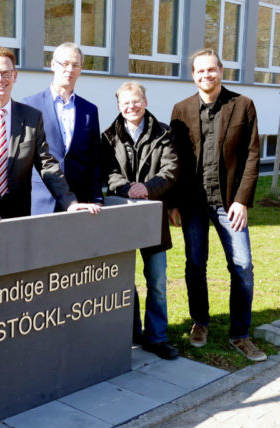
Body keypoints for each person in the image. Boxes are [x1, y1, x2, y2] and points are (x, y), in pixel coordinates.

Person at [170, 48, 265, 361]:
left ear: (221, 71)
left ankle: (240, 334)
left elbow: (253, 156)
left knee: (243, 267)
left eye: (211, 70)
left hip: (229, 204)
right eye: (200, 71)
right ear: (193, 74)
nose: (206, 75)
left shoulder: (242, 105)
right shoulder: (181, 109)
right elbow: (175, 160)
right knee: (195, 265)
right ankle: (200, 322)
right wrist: (173, 202)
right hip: (193, 203)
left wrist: (242, 201)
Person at [0, 46, 99, 219]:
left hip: (18, 215)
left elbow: (46, 164)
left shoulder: (31, 117)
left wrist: (69, 202)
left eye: (6, 73)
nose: (0, 79)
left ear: (15, 76)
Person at [102, 82, 179, 360]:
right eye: (125, 102)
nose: (131, 106)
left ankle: (156, 338)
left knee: (156, 280)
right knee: (125, 280)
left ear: (145, 101)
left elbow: (171, 170)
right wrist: (127, 189)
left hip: (153, 218)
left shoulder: (164, 134)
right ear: (119, 105)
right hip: (122, 217)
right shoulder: (108, 136)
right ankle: (131, 332)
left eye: (135, 101)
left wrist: (147, 187)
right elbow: (108, 172)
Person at [22, 42, 103, 214]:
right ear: (52, 65)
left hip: (79, 198)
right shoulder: (30, 106)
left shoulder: (89, 110)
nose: (70, 69)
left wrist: (97, 197)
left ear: (80, 70)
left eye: (75, 65)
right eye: (64, 64)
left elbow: (94, 158)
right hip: (41, 197)